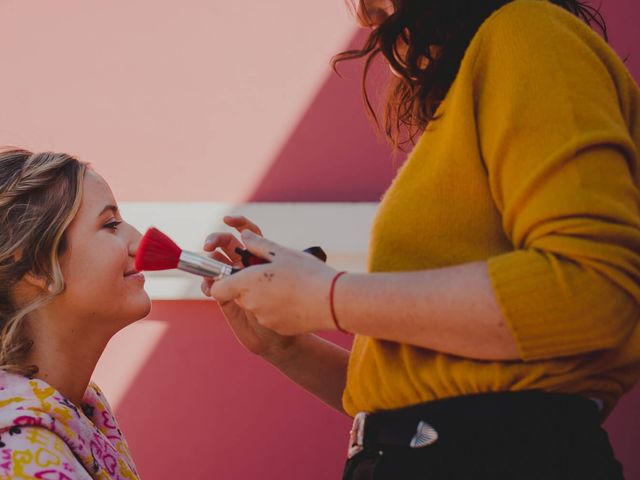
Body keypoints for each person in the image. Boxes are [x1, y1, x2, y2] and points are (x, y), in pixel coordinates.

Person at [202, 0, 640, 478]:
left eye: (372, 3)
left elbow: (591, 292)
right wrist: (286, 347)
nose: (367, 20)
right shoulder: (494, 62)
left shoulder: (530, 32)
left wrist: (328, 296)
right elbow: (423, 398)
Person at [0, 148, 148, 479]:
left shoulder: (81, 407)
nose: (139, 240)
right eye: (110, 224)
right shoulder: (21, 454)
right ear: (38, 266)